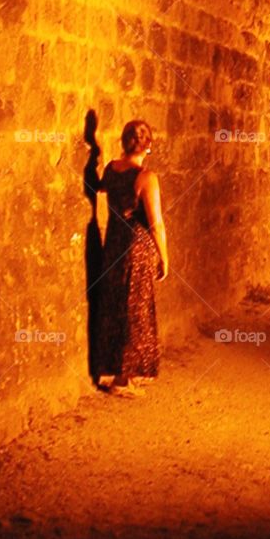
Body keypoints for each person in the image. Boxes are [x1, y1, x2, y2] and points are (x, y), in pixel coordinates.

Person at [95, 118, 167, 393]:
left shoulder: (111, 169)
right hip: (136, 247)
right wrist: (164, 256)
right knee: (135, 311)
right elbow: (156, 223)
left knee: (115, 306)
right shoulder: (146, 178)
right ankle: (123, 379)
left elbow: (103, 187)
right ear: (148, 146)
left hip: (113, 243)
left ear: (124, 142)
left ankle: (117, 371)